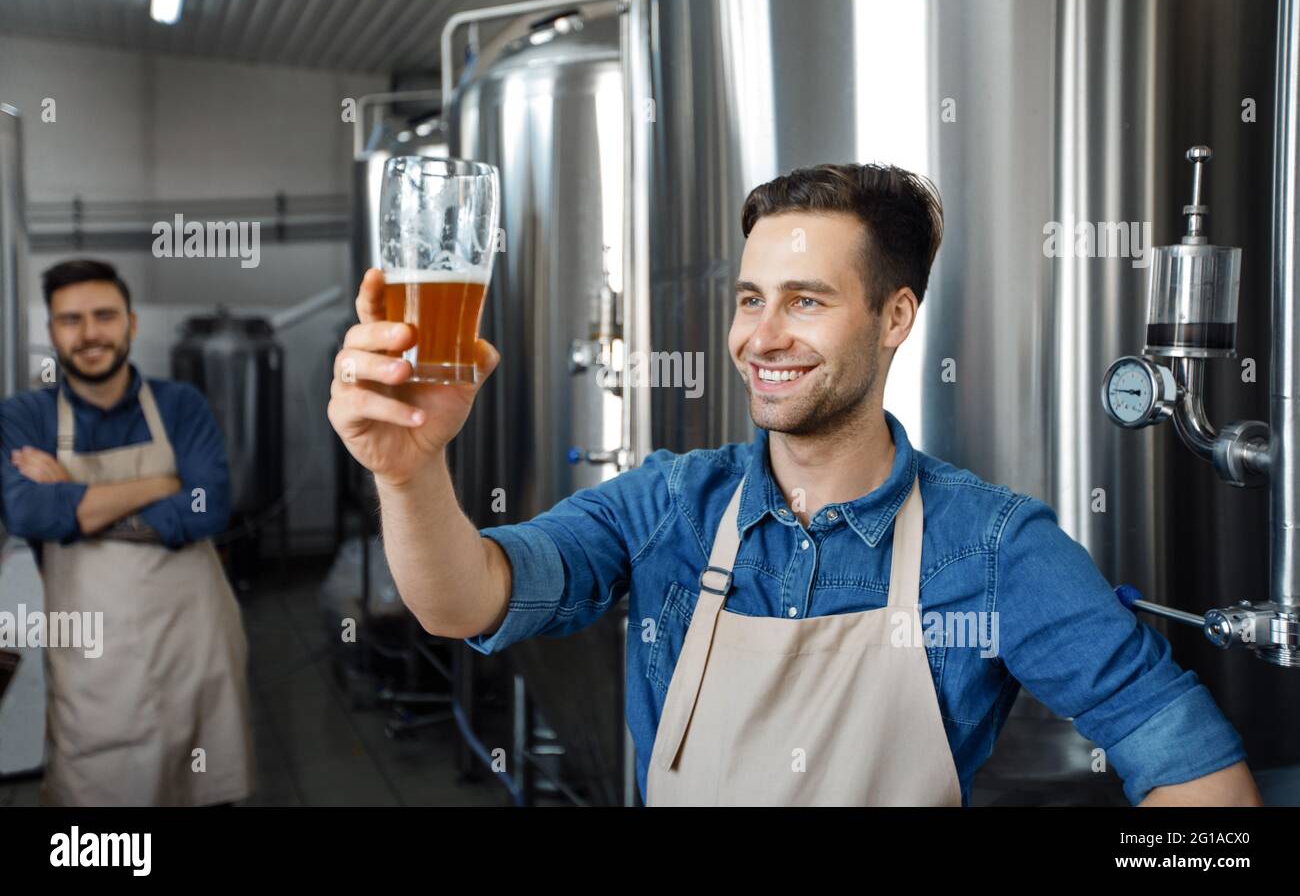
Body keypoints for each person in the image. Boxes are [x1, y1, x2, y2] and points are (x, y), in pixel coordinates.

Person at [327, 162, 1261, 807]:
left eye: (805, 300)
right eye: (749, 299)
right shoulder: (669, 506)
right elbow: (470, 599)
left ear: (896, 316)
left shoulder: (994, 547)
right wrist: (410, 473)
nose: (761, 337)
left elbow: (1194, 767)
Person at [0, 258, 254, 806]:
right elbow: (27, 513)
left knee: (206, 789)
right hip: (93, 665)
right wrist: (161, 485)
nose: (90, 334)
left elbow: (207, 512)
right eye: (71, 320)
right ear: (52, 333)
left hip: (196, 646)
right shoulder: (24, 417)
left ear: (131, 324)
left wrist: (73, 496)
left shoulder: (180, 405)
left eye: (104, 315)